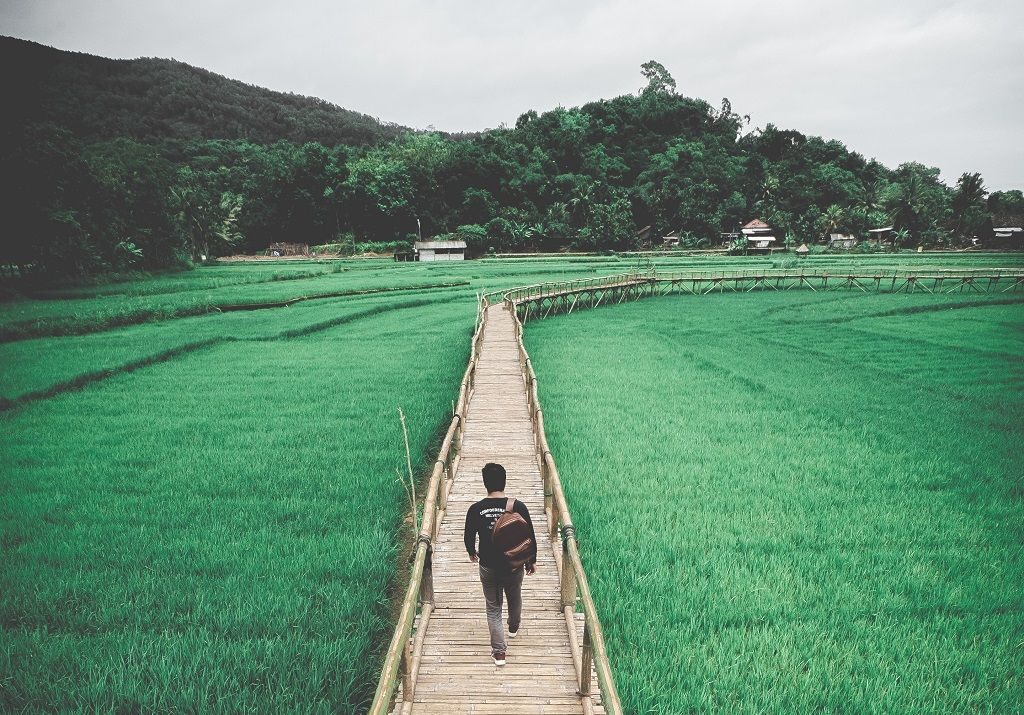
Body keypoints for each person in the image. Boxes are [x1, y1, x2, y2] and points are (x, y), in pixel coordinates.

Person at [464, 462, 538, 666]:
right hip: (513, 564)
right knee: (514, 596)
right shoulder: (518, 506)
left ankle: (499, 653)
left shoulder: (476, 509)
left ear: (485, 483)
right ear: (504, 481)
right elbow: (530, 535)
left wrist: (472, 552)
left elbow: (469, 536)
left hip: (488, 565)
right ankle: (513, 627)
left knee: (493, 607)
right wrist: (531, 561)